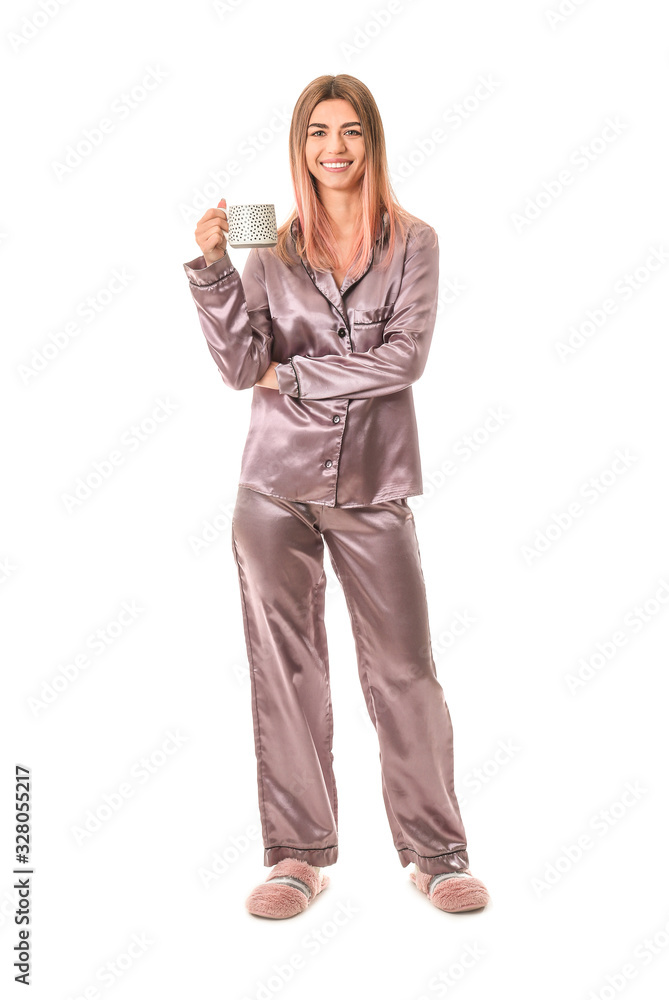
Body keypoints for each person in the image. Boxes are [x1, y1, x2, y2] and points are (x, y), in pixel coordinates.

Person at [183, 74, 491, 919]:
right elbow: (241, 368)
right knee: (285, 672)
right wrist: (211, 271)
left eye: (349, 131)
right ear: (299, 146)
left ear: (372, 141)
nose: (334, 148)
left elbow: (404, 359)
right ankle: (294, 857)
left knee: (403, 672)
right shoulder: (267, 240)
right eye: (318, 132)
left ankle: (436, 852)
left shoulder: (414, 241)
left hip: (372, 487)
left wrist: (297, 374)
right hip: (271, 488)